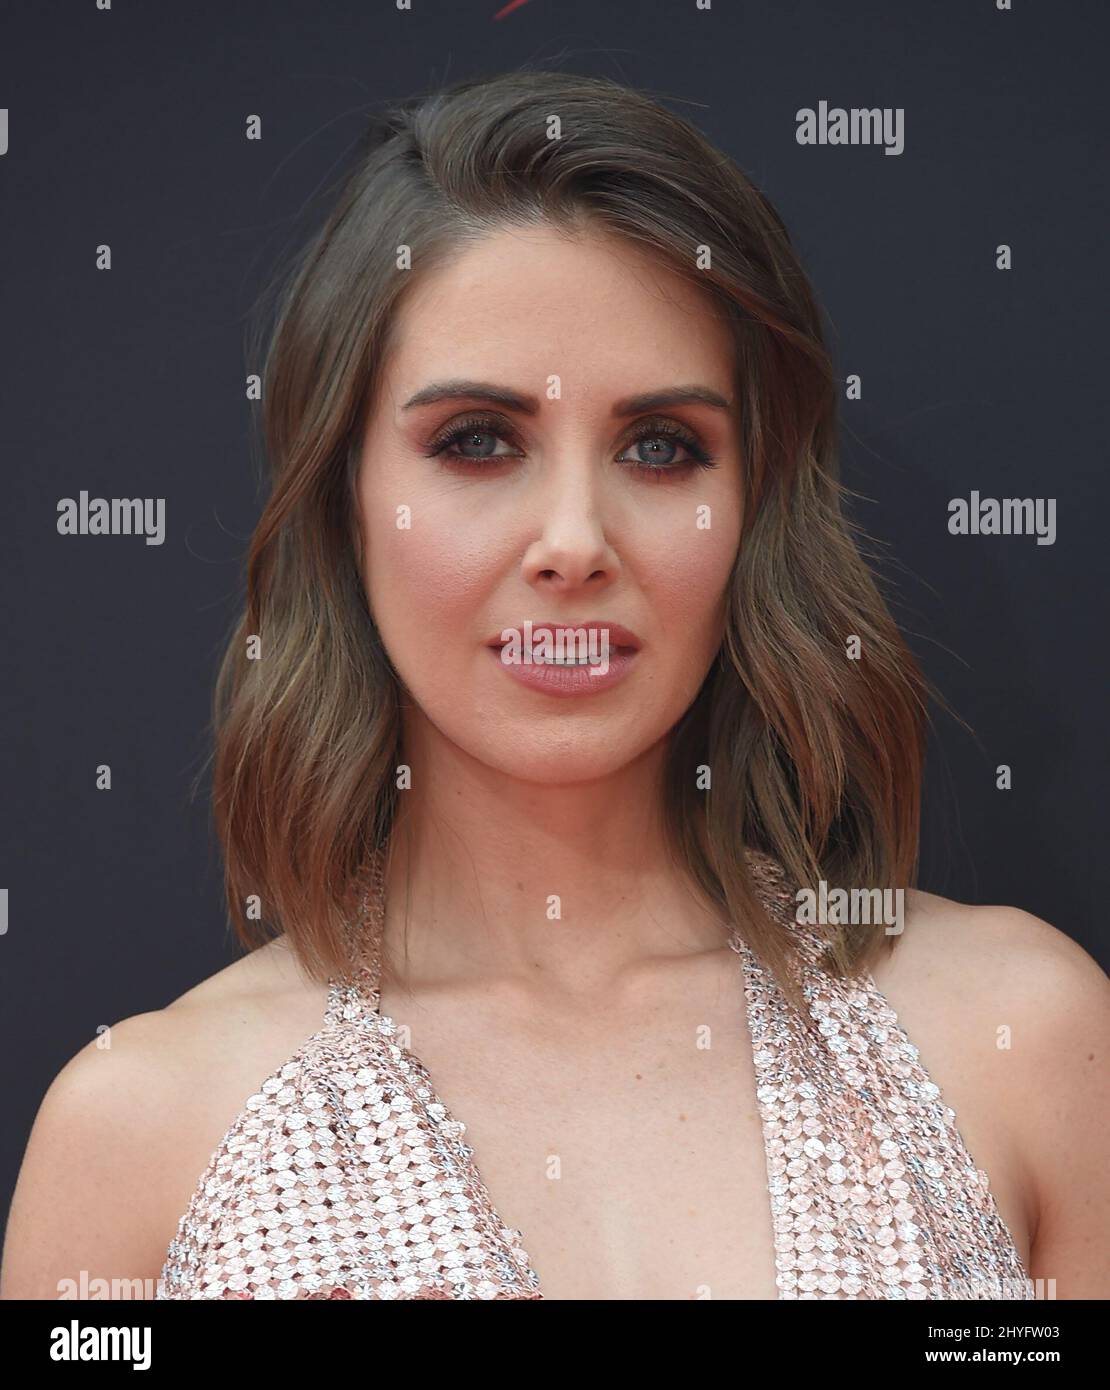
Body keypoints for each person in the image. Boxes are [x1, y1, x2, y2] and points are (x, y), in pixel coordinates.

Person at [3, 69, 1107, 1301]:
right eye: (477, 440)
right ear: (345, 503)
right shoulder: (142, 1145)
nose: (575, 539)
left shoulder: (1027, 1041)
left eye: (661, 446)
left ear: (753, 510)